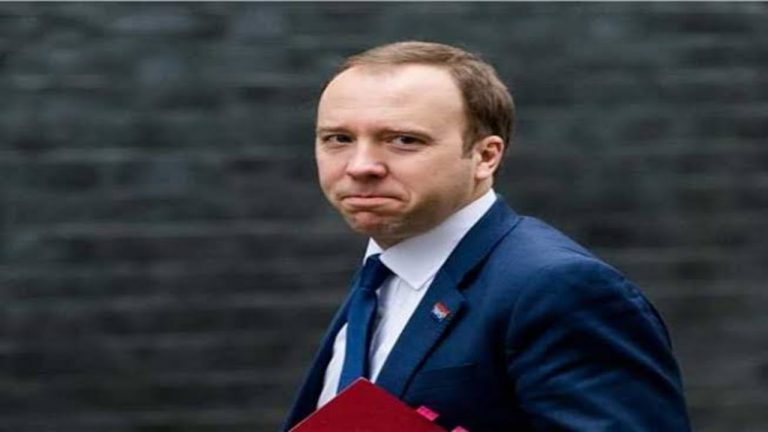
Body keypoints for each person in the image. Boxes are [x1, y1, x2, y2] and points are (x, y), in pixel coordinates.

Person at [283, 41, 690, 431]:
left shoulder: (558, 288)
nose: (361, 166)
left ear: (485, 156)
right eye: (339, 139)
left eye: (404, 140)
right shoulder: (381, 276)